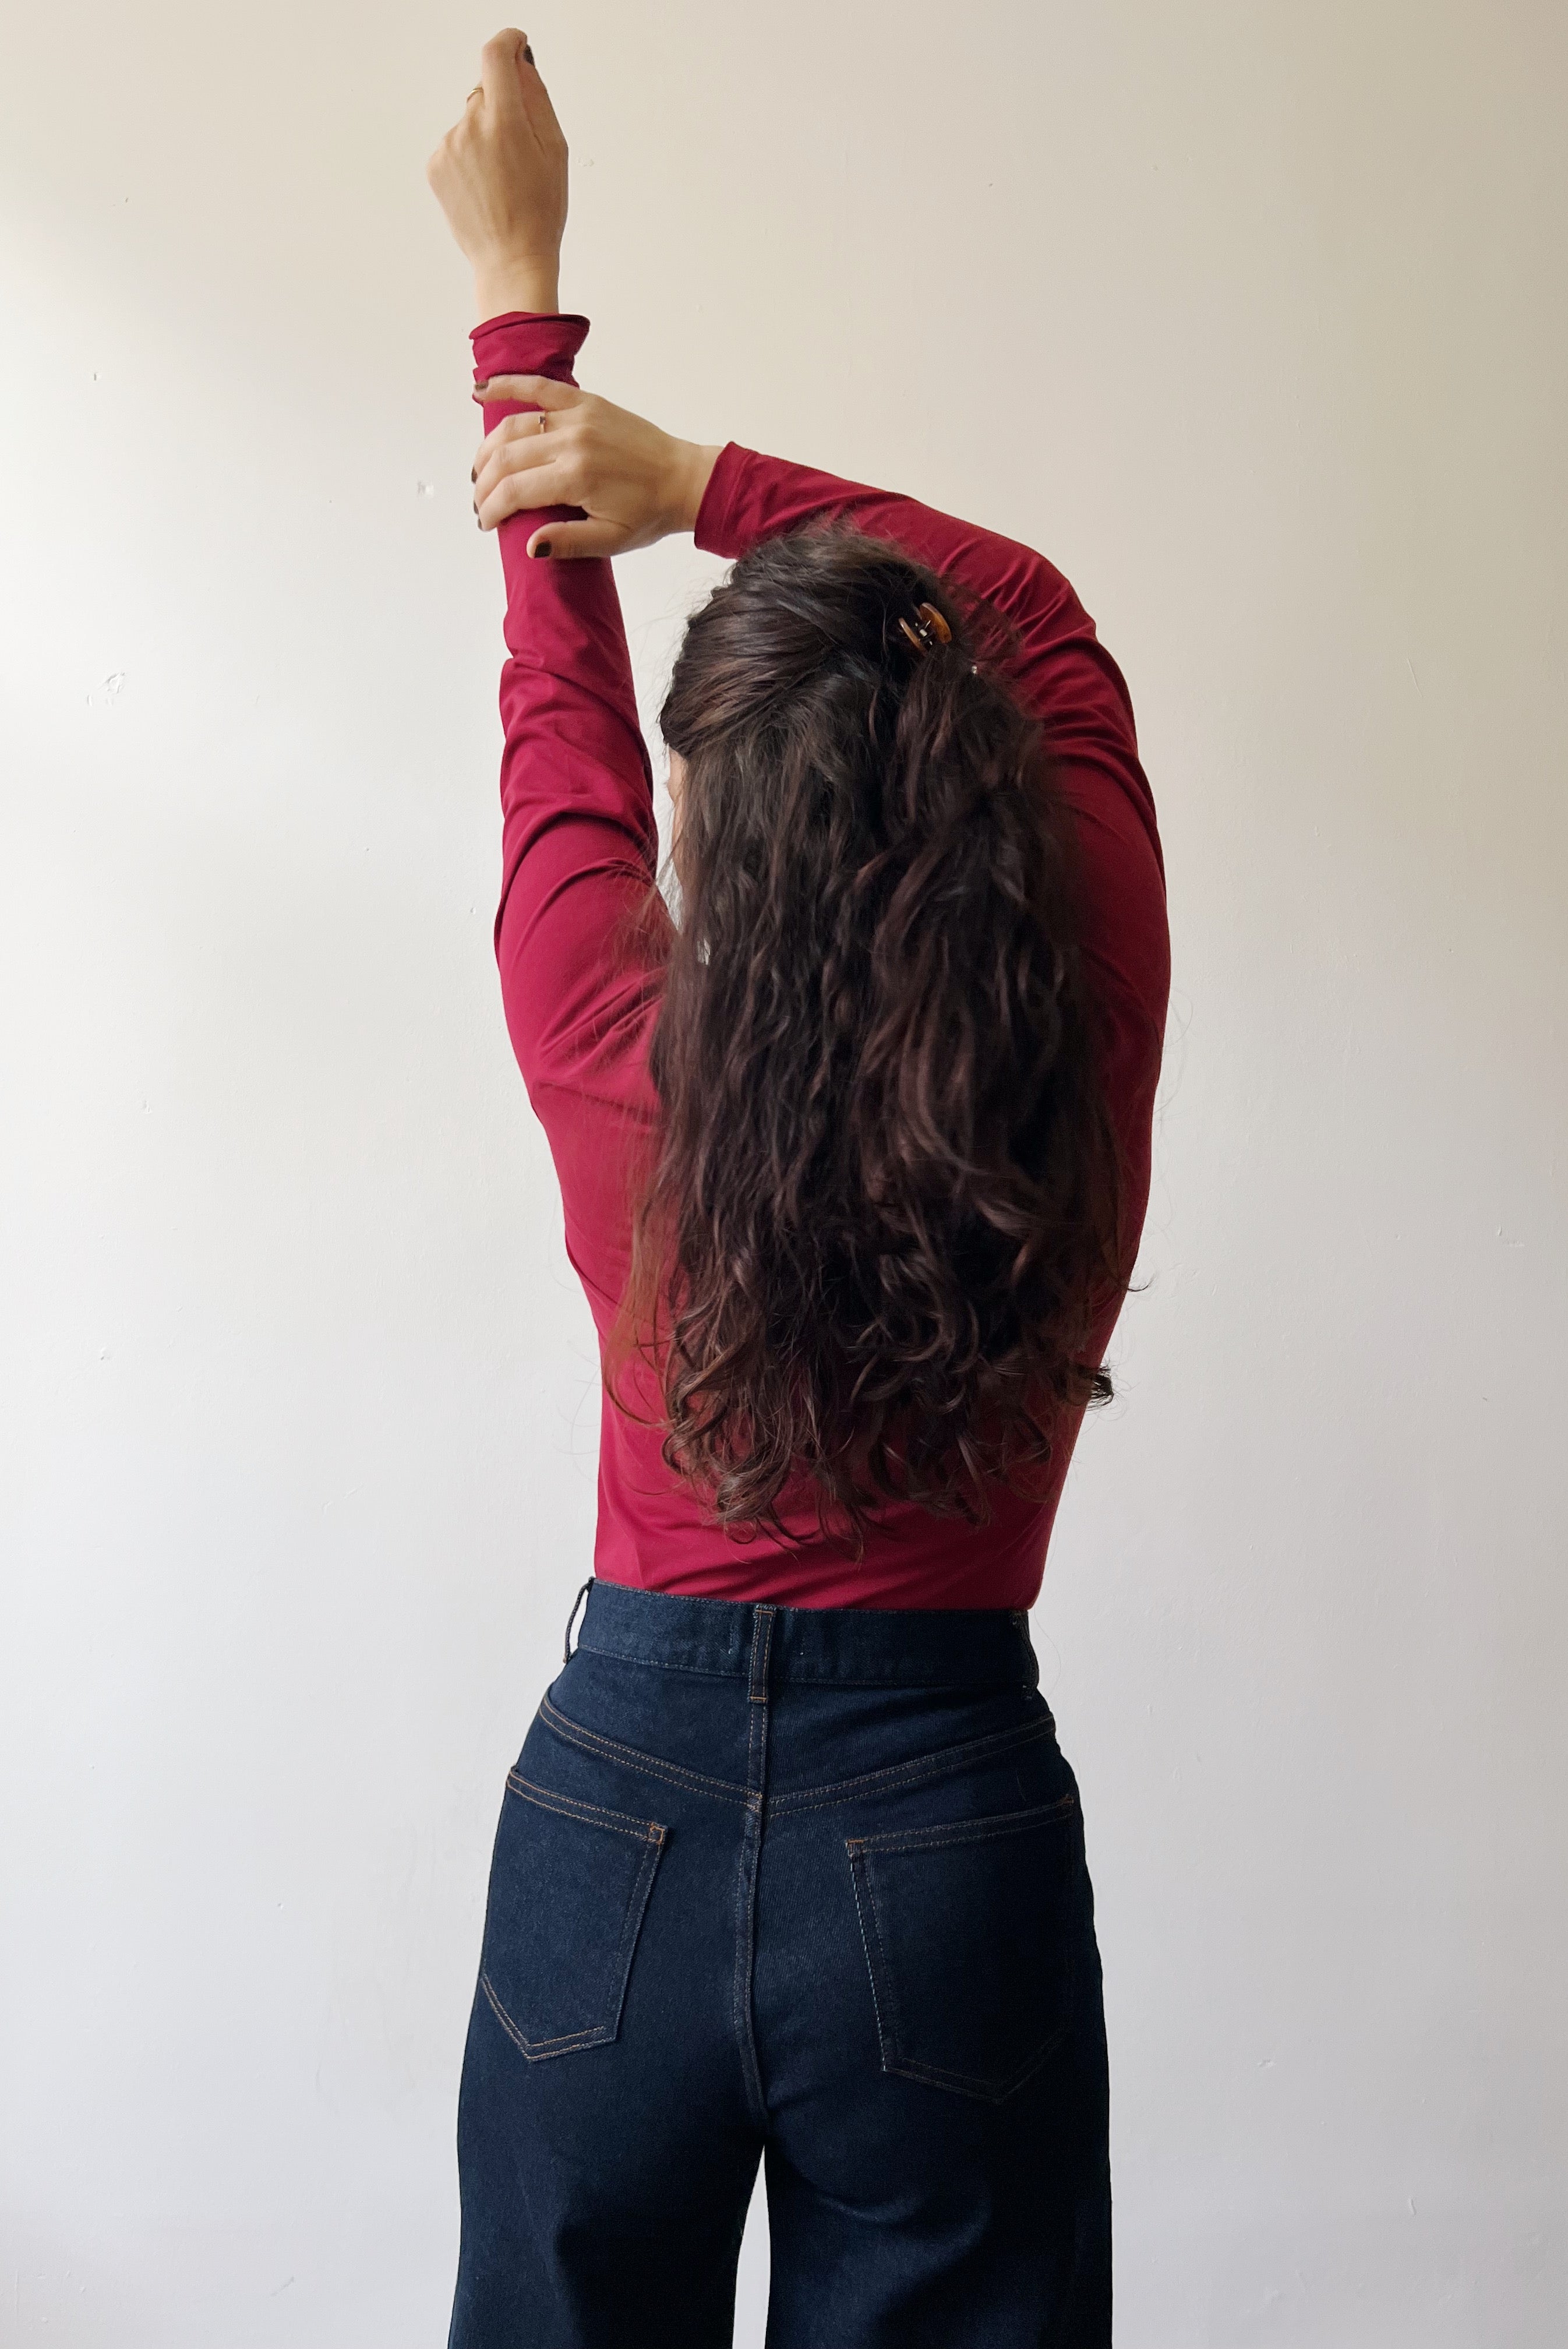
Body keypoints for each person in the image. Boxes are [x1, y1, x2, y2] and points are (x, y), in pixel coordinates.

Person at [427, 30, 1170, 2348]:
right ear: (973, 775)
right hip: (938, 1825)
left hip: (610, 1829)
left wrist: (517, 313)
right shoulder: (1078, 1041)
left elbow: (555, 740)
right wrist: (707, 479)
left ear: (714, 829)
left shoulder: (612, 1040)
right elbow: (1031, 609)